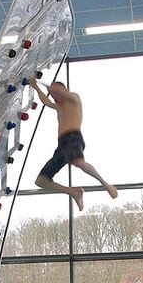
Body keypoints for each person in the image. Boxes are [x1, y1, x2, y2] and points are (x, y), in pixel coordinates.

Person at [29, 76, 118, 211]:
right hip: (62, 145)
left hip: (73, 137)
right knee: (41, 181)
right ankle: (73, 192)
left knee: (78, 162)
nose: (54, 98)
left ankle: (105, 184)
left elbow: (60, 91)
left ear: (62, 89)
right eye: (53, 96)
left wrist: (47, 85)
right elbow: (46, 102)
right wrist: (36, 87)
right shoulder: (59, 107)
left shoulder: (73, 98)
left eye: (55, 94)